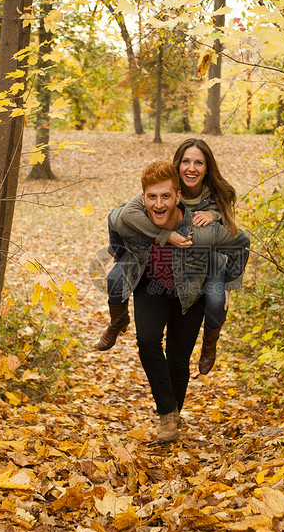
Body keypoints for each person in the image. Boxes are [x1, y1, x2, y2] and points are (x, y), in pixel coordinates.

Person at [106, 161, 250, 443]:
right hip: (152, 288)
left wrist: (229, 283)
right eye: (152, 197)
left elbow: (241, 244)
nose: (158, 204)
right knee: (147, 341)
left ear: (178, 196)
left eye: (166, 197)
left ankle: (173, 416)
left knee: (178, 360)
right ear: (143, 197)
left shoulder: (202, 229)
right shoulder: (134, 221)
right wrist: (119, 257)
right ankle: (167, 412)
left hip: (191, 295)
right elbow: (114, 221)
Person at [96, 139, 239, 375]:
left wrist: (213, 215)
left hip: (206, 261)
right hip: (164, 259)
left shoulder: (214, 195)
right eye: (186, 161)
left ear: (207, 168)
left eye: (199, 162)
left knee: (216, 302)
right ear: (177, 165)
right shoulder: (162, 186)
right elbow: (122, 216)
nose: (191, 168)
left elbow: (232, 236)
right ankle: (118, 320)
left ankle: (210, 344)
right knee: (114, 279)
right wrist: (166, 235)